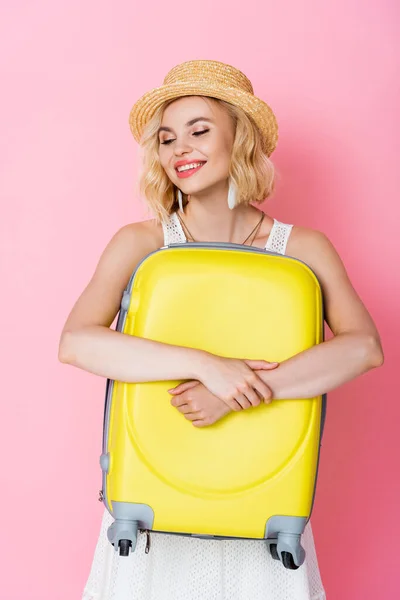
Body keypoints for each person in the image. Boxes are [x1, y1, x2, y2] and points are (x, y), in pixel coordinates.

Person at [58, 59, 384, 600]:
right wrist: (205, 363)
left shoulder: (301, 248)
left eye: (199, 131)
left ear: (241, 139)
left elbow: (363, 348)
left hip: (264, 505)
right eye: (166, 138)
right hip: (149, 504)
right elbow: (77, 341)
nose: (179, 149)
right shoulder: (140, 243)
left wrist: (233, 395)